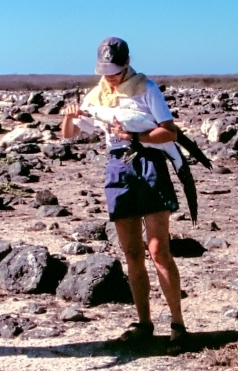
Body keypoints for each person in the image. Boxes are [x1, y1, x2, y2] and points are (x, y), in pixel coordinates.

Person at [62, 37, 187, 354]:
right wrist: (69, 115)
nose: (112, 76)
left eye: (116, 70)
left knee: (158, 251)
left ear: (128, 62)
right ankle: (144, 324)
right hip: (118, 168)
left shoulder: (146, 88)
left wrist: (133, 135)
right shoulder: (97, 94)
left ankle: (178, 325)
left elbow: (169, 131)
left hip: (149, 163)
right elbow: (70, 134)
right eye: (106, 70)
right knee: (132, 253)